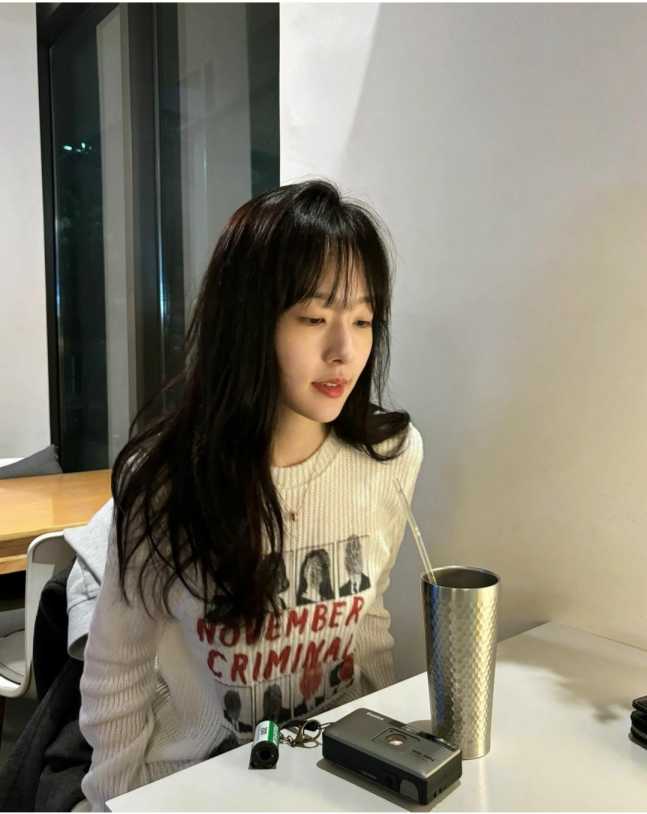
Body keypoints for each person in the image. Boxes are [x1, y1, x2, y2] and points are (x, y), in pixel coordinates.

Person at [78, 178, 424, 811]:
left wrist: (382, 772)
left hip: (328, 781)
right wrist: (113, 802)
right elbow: (117, 669)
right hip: (198, 782)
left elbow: (369, 624)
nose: (344, 351)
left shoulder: (391, 457)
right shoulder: (165, 481)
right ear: (248, 323)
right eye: (314, 318)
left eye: (363, 320)